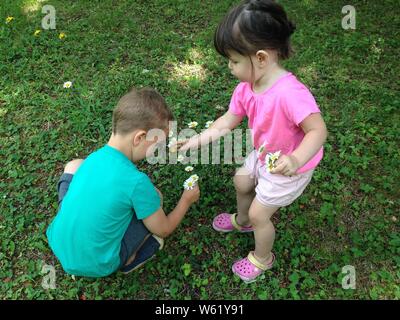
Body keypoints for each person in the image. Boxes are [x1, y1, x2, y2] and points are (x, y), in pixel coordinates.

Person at [179, 0, 328, 282]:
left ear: (260, 58)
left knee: (262, 213)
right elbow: (226, 121)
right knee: (242, 181)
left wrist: (295, 159)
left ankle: (262, 258)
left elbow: (318, 131)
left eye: (234, 60)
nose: (229, 67)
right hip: (264, 154)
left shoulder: (290, 94)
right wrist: (194, 140)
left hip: (290, 165)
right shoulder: (246, 88)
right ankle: (243, 221)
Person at [46, 87, 200, 277]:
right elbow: (165, 228)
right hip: (99, 263)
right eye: (158, 143)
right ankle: (129, 257)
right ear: (140, 138)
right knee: (155, 200)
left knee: (75, 165)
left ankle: (73, 221)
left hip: (58, 241)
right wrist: (186, 200)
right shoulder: (136, 182)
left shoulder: (95, 157)